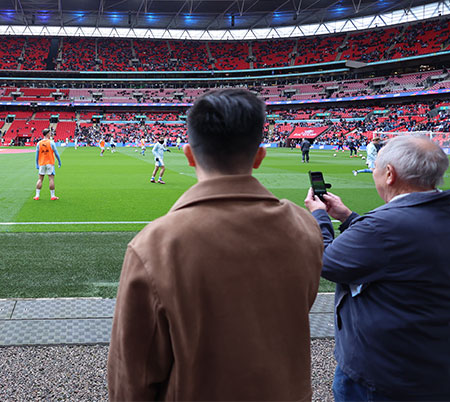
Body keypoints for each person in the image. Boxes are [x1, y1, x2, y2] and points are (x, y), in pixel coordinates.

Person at [108, 88, 323, 401]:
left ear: (189, 155)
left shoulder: (154, 245)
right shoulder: (305, 227)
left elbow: (132, 375)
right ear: (259, 156)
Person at [304, 135, 450, 402]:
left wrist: (320, 217)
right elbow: (397, 246)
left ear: (390, 174)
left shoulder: (382, 227)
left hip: (384, 375)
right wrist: (349, 218)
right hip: (434, 361)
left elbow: (326, 262)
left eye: (376, 168)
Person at [34, 128, 62, 201]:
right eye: (50, 133)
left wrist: (37, 164)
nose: (51, 134)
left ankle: (37, 195)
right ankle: (52, 196)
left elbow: (37, 155)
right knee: (51, 179)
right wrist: (59, 161)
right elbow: (56, 153)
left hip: (42, 163)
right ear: (48, 134)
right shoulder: (51, 143)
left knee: (40, 179)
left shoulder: (39, 143)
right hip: (50, 163)